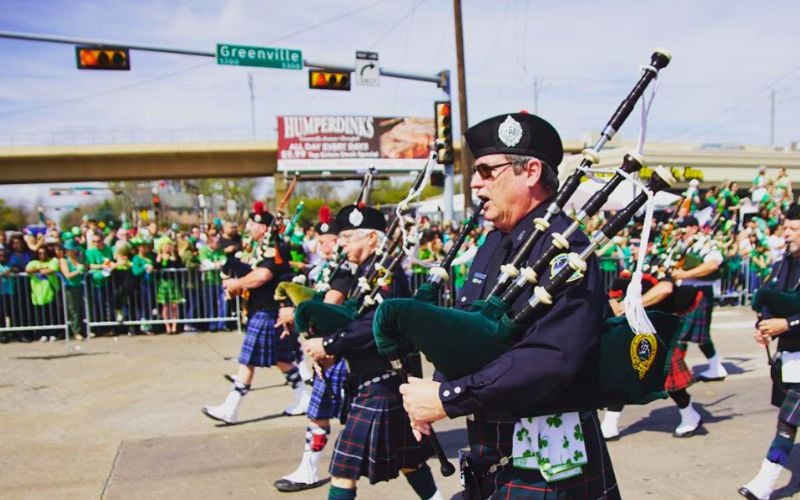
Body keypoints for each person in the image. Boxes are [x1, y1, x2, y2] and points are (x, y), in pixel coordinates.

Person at [399, 113, 619, 498]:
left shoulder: (568, 249)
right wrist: (435, 389)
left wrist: (448, 399)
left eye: (486, 170)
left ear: (530, 171)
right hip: (492, 443)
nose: (475, 183)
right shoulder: (493, 243)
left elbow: (553, 358)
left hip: (547, 454)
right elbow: (470, 333)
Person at [302, 204, 442, 500]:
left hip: (383, 380)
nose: (343, 242)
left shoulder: (386, 274)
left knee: (343, 466)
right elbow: (348, 316)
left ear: (372, 239)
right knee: (408, 460)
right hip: (370, 378)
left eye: (350, 236)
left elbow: (374, 324)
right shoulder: (361, 273)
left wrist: (329, 345)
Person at [202, 202, 310, 424]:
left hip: (268, 311)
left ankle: (230, 408)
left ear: (263, 227)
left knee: (247, 361)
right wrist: (239, 288)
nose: (248, 227)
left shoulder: (273, 248)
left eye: (252, 223)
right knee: (282, 359)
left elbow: (263, 276)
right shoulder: (258, 248)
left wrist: (236, 283)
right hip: (263, 310)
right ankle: (304, 397)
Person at [274, 216, 350, 493]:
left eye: (323, 241)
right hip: (328, 347)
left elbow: (330, 309)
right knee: (318, 412)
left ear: (338, 239)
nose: (319, 245)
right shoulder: (326, 268)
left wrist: (295, 314)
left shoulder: (345, 270)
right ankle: (309, 467)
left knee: (360, 422)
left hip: (343, 350)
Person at [739, 203, 800, 500]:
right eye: (785, 228)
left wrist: (786, 324)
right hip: (790, 357)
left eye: (793, 229)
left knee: (788, 423)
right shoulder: (781, 265)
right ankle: (764, 483)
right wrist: (762, 326)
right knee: (787, 421)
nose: (786, 234)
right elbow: (767, 303)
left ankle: (764, 482)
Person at [601, 271, 703, 439]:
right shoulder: (631, 268)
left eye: (636, 245)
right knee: (620, 378)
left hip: (657, 330)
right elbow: (613, 296)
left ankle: (690, 416)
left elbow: (665, 289)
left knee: (671, 381)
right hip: (631, 330)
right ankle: (609, 424)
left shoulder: (658, 267)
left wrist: (632, 304)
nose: (633, 248)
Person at [671, 215, 728, 381]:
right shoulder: (684, 246)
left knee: (681, 334)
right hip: (687, 293)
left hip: (700, 293)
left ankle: (676, 375)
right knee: (700, 337)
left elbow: (713, 264)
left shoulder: (706, 243)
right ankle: (716, 367)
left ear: (695, 228)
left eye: (685, 227)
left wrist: (684, 274)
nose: (682, 231)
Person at [59, 240, 86, 340]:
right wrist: (78, 271)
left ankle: (84, 329)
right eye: (72, 249)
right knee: (74, 310)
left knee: (82, 308)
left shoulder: (79, 259)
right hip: (70, 287)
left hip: (81, 286)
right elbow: (67, 275)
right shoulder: (64, 260)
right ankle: (76, 331)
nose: (74, 251)